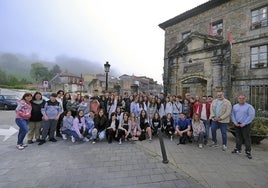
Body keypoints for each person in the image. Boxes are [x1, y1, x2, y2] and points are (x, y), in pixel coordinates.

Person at [231, 94, 255, 159]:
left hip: (245, 125)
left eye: (243, 98)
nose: (241, 99)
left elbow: (251, 116)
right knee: (238, 137)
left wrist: (244, 123)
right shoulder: (235, 106)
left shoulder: (249, 107)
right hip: (237, 124)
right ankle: (238, 149)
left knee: (246, 138)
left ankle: (248, 151)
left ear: (245, 99)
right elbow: (233, 115)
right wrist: (235, 122)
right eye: (240, 98)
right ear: (238, 99)